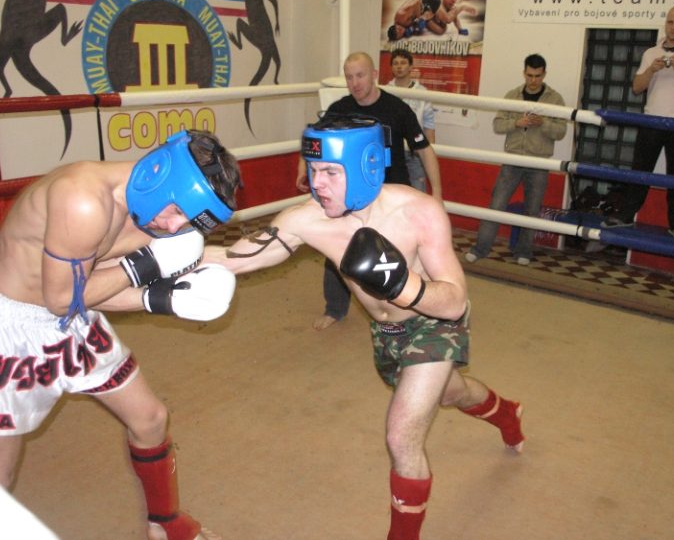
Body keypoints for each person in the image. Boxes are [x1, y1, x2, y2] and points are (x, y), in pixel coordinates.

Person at [207, 114, 524, 540]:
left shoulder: (418, 211)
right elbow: (236, 259)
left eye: (330, 172)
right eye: (313, 169)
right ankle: (506, 413)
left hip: (433, 322)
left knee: (401, 435)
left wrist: (403, 286)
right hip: (387, 333)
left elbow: (453, 302)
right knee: (453, 392)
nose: (317, 183)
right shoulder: (305, 220)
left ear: (366, 165)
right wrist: (152, 257)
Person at [0, 130, 241, 540]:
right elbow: (61, 299)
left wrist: (166, 297)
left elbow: (89, 292)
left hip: (74, 317)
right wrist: (144, 270)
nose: (173, 226)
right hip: (12, 329)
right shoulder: (83, 200)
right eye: (177, 210)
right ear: (157, 173)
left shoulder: (155, 213)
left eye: (187, 220)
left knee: (151, 419)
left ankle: (163, 522)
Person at [296, 51, 442, 330]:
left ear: (374, 75)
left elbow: (424, 150)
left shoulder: (397, 108)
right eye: (349, 77)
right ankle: (335, 308)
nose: (355, 83)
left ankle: (410, 307)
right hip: (350, 196)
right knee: (337, 248)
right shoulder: (339, 109)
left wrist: (437, 194)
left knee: (403, 253)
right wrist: (303, 168)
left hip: (391, 194)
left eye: (360, 75)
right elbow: (313, 141)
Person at [602, 5, 674, 242]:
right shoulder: (651, 52)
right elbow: (637, 87)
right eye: (670, 22)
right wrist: (651, 69)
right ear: (665, 23)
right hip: (651, 119)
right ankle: (626, 215)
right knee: (640, 171)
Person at [465, 54, 567, 266]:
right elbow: (497, 125)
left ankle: (524, 252)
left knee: (532, 209)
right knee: (496, 205)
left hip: (539, 162)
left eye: (537, 76)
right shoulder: (512, 95)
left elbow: (561, 132)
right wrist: (517, 123)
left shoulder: (555, 99)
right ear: (524, 73)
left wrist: (543, 123)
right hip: (512, 159)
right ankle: (480, 249)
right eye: (529, 75)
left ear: (544, 74)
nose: (533, 80)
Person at [387, 48, 436, 192]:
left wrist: (429, 154)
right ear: (391, 67)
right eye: (395, 63)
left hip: (415, 152)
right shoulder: (385, 91)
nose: (399, 67)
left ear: (410, 67)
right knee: (392, 193)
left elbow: (429, 125)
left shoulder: (422, 92)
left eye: (403, 63)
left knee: (418, 193)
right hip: (392, 151)